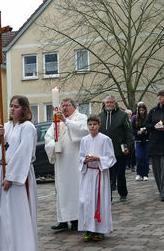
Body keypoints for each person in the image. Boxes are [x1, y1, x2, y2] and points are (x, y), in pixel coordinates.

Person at [0, 95, 38, 251]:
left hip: (18, 177)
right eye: (11, 106)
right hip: (1, 173)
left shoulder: (28, 128)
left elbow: (24, 153)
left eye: (16, 106)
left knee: (19, 216)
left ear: (24, 109)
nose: (12, 109)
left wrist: (11, 177)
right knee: (3, 215)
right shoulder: (6, 127)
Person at [45, 98, 89, 231]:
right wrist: (54, 145)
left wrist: (66, 121)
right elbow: (48, 137)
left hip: (75, 160)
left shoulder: (80, 117)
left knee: (75, 189)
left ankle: (76, 219)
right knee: (61, 190)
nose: (64, 108)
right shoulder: (56, 121)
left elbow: (83, 131)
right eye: (63, 106)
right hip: (61, 160)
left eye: (67, 105)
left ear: (74, 107)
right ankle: (62, 219)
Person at [78, 114, 116, 242]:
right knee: (86, 201)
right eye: (90, 124)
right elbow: (80, 157)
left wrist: (98, 159)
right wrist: (85, 160)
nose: (92, 127)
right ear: (87, 126)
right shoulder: (84, 140)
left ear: (99, 125)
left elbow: (111, 158)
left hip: (100, 174)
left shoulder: (105, 139)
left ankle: (100, 230)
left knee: (99, 201)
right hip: (88, 174)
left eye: (94, 124)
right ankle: (88, 229)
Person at [99, 95, 134, 202]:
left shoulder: (122, 115)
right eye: (107, 102)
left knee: (120, 173)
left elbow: (129, 132)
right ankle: (107, 196)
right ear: (104, 104)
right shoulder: (100, 116)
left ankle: (123, 193)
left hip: (119, 149)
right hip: (105, 151)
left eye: (111, 102)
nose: (109, 104)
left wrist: (128, 146)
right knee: (107, 175)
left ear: (115, 103)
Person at [132, 103, 149, 181]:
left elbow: (150, 128)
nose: (141, 112)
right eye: (140, 110)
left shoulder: (148, 118)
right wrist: (137, 132)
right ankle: (139, 173)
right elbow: (132, 129)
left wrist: (145, 131)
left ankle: (145, 174)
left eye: (143, 110)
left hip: (146, 140)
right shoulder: (135, 118)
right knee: (138, 157)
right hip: (138, 140)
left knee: (145, 158)